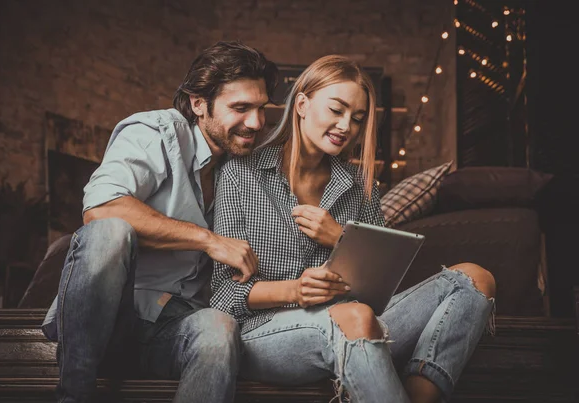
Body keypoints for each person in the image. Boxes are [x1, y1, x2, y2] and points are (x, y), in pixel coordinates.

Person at [210, 55, 496, 403]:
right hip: (265, 335)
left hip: (359, 322)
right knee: (355, 316)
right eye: (337, 109)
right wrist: (297, 290)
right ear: (301, 104)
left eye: (357, 118)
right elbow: (224, 296)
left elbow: (379, 293)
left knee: (475, 279)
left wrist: (340, 239)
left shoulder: (362, 188)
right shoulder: (240, 175)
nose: (346, 126)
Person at [41, 40, 279, 403]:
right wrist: (208, 240)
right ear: (199, 103)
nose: (256, 123)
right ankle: (73, 396)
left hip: (176, 329)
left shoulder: (242, 170)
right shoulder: (157, 133)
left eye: (262, 109)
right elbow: (101, 209)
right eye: (241, 108)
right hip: (108, 322)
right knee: (110, 232)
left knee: (219, 328)